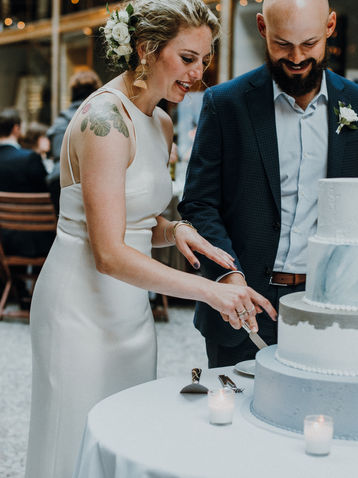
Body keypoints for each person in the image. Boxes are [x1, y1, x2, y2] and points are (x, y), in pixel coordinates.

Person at [25, 2, 276, 477]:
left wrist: (176, 228)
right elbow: (108, 251)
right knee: (72, 439)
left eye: (205, 58)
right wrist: (211, 290)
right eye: (187, 58)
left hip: (131, 311)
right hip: (80, 308)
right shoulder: (105, 120)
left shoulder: (160, 124)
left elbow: (139, 219)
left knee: (125, 434)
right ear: (146, 49)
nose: (198, 73)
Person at [178, 0, 358, 368]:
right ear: (262, 28)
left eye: (308, 44)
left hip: (330, 302)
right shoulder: (224, 103)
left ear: (330, 26)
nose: (296, 58)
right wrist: (228, 276)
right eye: (282, 44)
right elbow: (199, 204)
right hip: (243, 302)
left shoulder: (354, 103)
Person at [46, 69, 102, 214]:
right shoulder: (101, 119)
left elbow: (53, 152)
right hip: (89, 182)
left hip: (58, 184)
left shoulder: (60, 121)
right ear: (96, 91)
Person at [0, 109, 53, 258]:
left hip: (2, 241)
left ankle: (14, 281)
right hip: (34, 238)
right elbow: (46, 194)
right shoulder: (29, 158)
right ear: (16, 129)